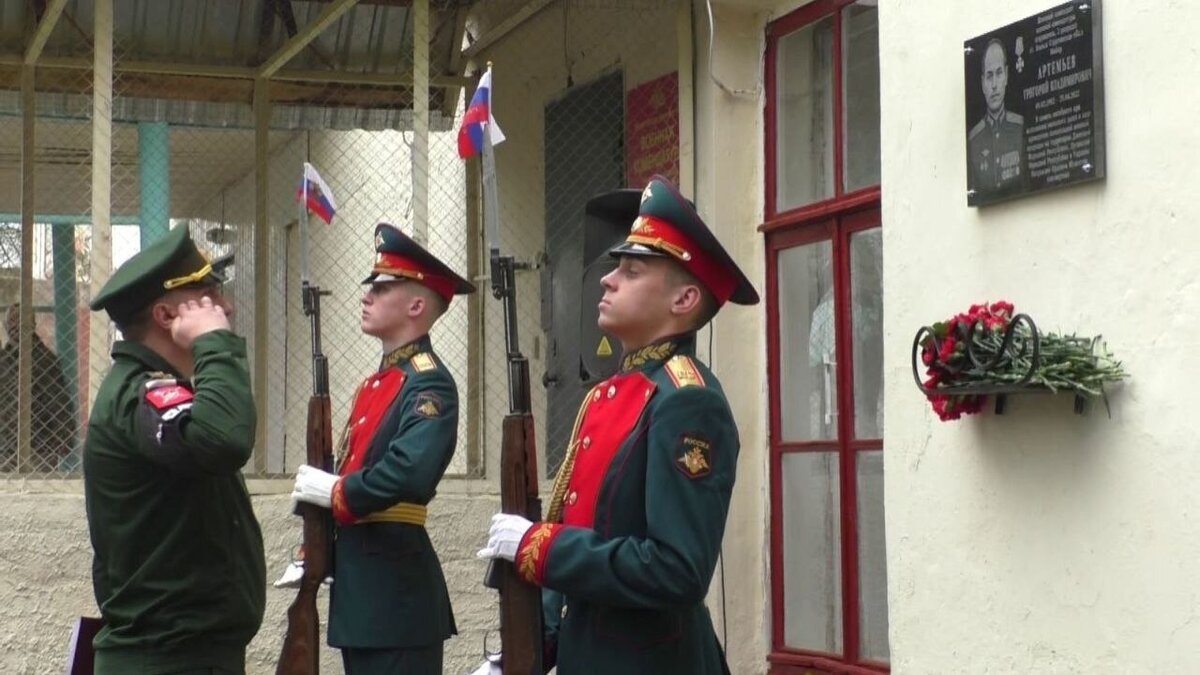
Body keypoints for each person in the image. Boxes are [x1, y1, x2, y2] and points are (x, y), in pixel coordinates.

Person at [475, 175, 760, 674]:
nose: (607, 278)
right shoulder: (608, 394)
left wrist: (539, 546)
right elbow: (574, 524)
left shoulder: (687, 401)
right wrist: (529, 649)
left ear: (684, 300)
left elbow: (676, 570)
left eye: (631, 270)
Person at [289, 223, 474, 675]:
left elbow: (408, 471)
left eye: (383, 287)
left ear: (416, 305)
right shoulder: (376, 384)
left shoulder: (428, 382)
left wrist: (335, 491)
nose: (366, 294)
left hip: (396, 595)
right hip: (365, 592)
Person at [83, 225, 265, 674]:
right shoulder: (141, 395)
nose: (226, 307)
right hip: (163, 659)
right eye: (208, 297)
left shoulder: (166, 391)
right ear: (167, 316)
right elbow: (226, 440)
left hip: (185, 655)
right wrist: (214, 343)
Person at [0, 303, 77, 471]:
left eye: (20, 320)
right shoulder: (4, 360)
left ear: (32, 324)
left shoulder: (44, 361)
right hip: (6, 447)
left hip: (39, 448)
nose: (14, 326)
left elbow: (58, 403)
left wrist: (63, 439)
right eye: (10, 321)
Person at [968, 37, 1026, 197]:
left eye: (999, 73)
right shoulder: (973, 140)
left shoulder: (1020, 127)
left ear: (1006, 76)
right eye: (989, 75)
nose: (994, 84)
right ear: (982, 84)